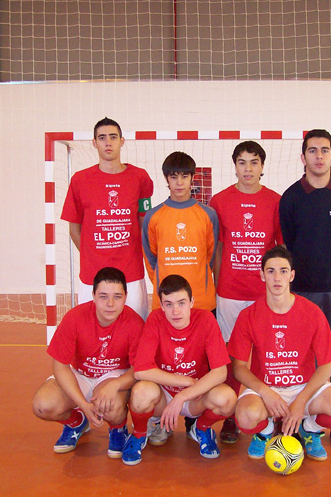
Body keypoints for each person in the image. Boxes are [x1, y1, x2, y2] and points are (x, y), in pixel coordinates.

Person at [229, 246, 331, 461]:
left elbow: (328, 365)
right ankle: (265, 431)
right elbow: (239, 367)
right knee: (245, 417)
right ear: (262, 275)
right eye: (270, 271)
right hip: (267, 388)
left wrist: (300, 402)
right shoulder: (248, 315)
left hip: (304, 387)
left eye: (283, 271)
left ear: (292, 275)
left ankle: (309, 429)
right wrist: (266, 392)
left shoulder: (312, 312)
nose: (277, 277)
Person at [279, 129, 331, 450]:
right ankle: (300, 423)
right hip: (303, 292)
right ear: (303, 157)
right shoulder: (291, 197)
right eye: (312, 151)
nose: (318, 156)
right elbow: (289, 241)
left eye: (324, 150)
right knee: (304, 361)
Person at [209, 140, 283, 443]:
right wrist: (216, 283)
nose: (248, 168)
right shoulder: (220, 200)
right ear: (235, 165)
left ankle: (270, 413)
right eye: (242, 162)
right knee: (230, 354)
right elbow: (218, 247)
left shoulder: (275, 201)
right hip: (229, 290)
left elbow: (279, 249)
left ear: (262, 166)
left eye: (254, 162)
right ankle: (229, 417)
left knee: (266, 354)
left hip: (261, 292)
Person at [122, 275, 236, 465]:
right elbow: (141, 371)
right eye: (168, 304)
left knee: (227, 399)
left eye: (181, 303)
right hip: (164, 395)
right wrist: (184, 381)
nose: (175, 311)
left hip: (195, 397)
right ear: (161, 305)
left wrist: (183, 395)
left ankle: (201, 428)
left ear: (192, 302)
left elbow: (220, 372)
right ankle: (140, 433)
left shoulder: (206, 319)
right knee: (141, 392)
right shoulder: (155, 320)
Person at [32, 267, 144, 458]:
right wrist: (82, 405)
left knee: (110, 404)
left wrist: (116, 384)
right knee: (43, 405)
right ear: (92, 296)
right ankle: (76, 422)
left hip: (113, 374)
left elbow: (138, 369)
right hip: (81, 373)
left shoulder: (134, 323)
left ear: (126, 297)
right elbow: (60, 365)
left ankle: (117, 429)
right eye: (103, 296)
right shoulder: (75, 318)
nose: (110, 304)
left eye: (117, 296)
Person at [61, 117, 154, 319]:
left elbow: (144, 225)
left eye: (113, 137)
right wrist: (93, 253)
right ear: (94, 143)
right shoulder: (79, 180)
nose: (108, 142)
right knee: (91, 330)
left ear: (122, 141)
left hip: (130, 272)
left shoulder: (140, 178)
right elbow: (74, 229)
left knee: (135, 328)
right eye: (102, 138)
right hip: (92, 274)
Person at [142, 151, 219, 313]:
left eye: (184, 176)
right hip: (167, 301)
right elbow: (150, 259)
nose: (179, 182)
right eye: (174, 176)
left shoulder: (208, 214)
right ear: (166, 179)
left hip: (201, 300)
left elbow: (210, 256)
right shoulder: (153, 216)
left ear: (192, 178)